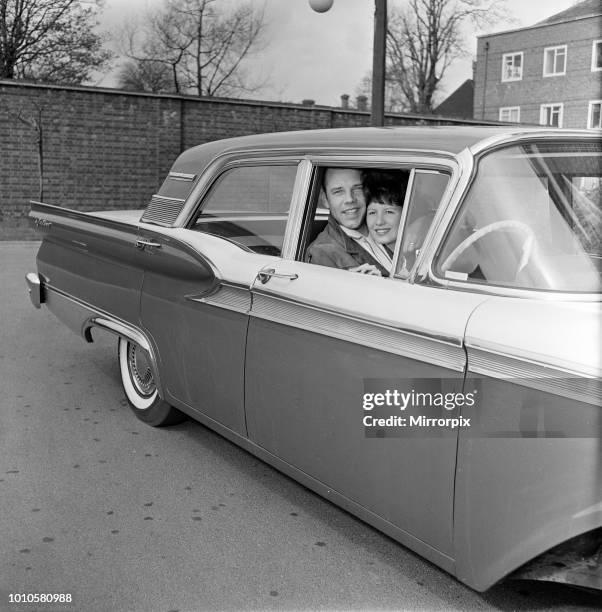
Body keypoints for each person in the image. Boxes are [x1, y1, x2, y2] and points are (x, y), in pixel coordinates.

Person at [305, 168, 389, 276]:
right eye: (338, 191)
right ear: (325, 199)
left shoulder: (386, 223)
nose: (350, 199)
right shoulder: (321, 253)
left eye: (358, 188)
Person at [363, 171, 406, 268]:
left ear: (407, 212)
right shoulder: (365, 257)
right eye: (372, 212)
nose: (379, 222)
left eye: (389, 212)